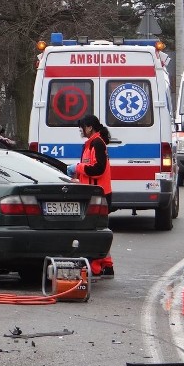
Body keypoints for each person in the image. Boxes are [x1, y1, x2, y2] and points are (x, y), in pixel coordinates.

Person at [68, 114, 115, 278]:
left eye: (82, 128)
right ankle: (106, 265)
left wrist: (78, 168)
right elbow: (92, 170)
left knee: (94, 231)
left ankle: (96, 266)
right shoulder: (91, 144)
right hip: (94, 193)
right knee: (98, 230)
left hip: (99, 194)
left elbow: (98, 169)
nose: (81, 131)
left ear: (89, 127)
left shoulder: (97, 143)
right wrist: (79, 180)